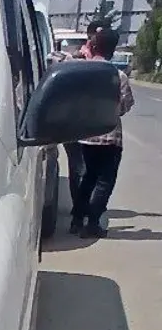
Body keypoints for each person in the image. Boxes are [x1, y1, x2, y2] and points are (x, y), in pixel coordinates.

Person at [70, 26, 134, 239]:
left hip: (84, 136)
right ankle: (93, 223)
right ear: (113, 50)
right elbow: (125, 106)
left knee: (87, 178)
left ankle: (77, 220)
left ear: (92, 45)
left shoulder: (80, 72)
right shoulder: (119, 76)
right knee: (104, 181)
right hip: (110, 138)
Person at [65, 20, 100, 207]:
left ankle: (81, 208)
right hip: (74, 123)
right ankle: (79, 210)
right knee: (79, 167)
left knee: (88, 169)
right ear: (91, 36)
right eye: (99, 36)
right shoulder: (77, 58)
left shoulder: (101, 61)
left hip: (92, 125)